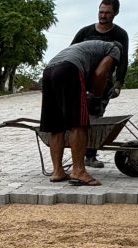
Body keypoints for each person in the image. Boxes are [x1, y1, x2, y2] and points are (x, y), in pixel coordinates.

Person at [40, 40, 120, 186]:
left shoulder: (89, 47)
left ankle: (58, 171)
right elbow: (100, 73)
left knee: (56, 126)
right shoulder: (114, 49)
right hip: (70, 69)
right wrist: (96, 96)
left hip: (49, 71)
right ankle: (78, 171)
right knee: (78, 123)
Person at [71, 0, 129, 168]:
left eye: (107, 13)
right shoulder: (85, 32)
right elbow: (70, 52)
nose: (103, 15)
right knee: (79, 118)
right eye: (101, 11)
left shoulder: (119, 35)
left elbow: (123, 61)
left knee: (95, 117)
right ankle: (78, 156)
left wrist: (119, 84)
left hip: (104, 83)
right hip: (82, 80)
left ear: (115, 13)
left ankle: (90, 155)